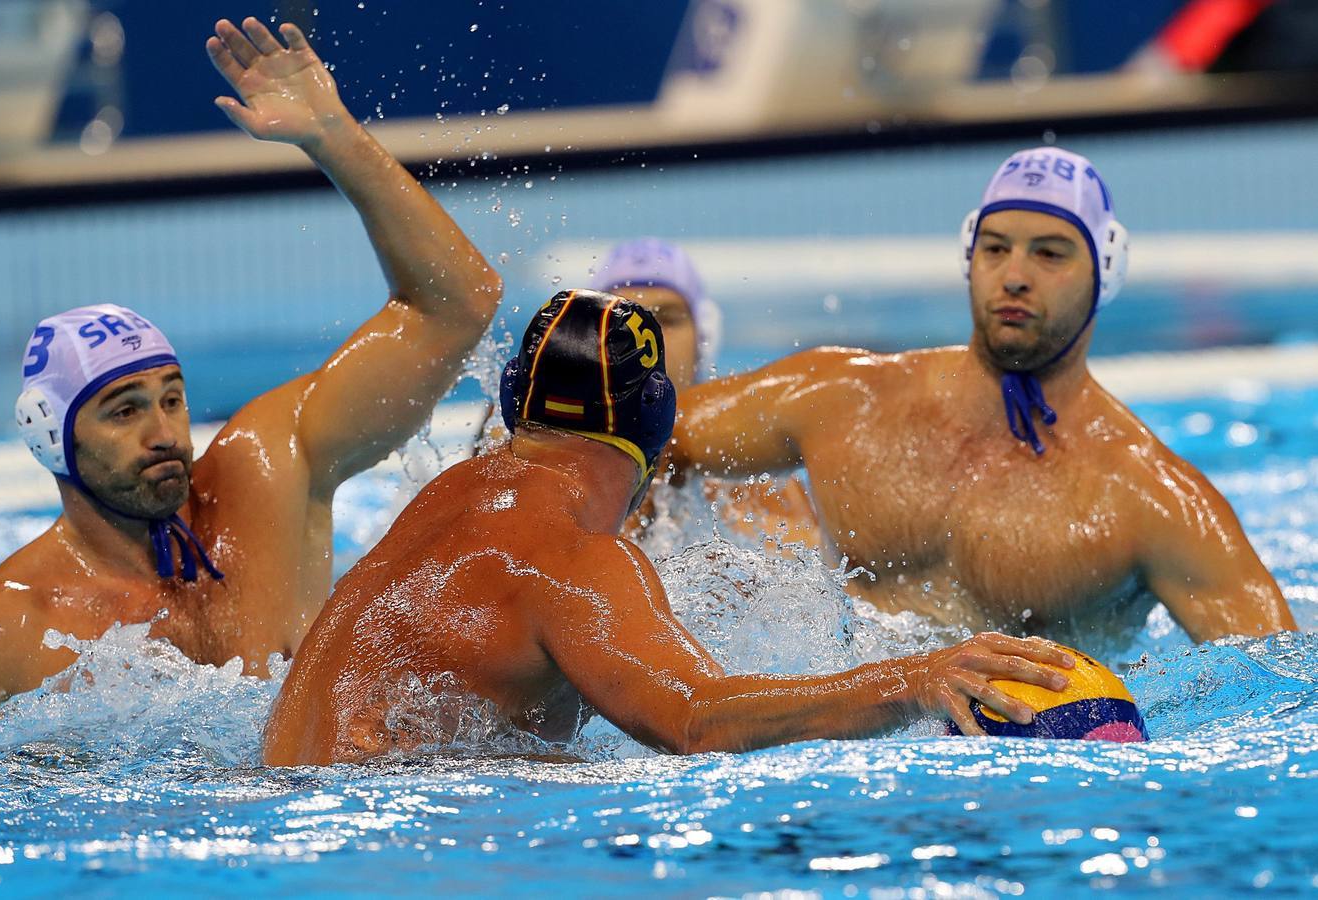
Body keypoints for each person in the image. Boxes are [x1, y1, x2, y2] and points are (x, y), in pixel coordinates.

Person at [0, 18, 503, 722]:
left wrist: (332, 136)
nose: (164, 432)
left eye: (172, 399)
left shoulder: (266, 474)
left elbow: (456, 305)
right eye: (123, 409)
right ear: (49, 438)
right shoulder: (10, 629)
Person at [262, 289, 1074, 765]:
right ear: (657, 420)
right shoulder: (575, 556)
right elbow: (696, 718)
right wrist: (913, 677)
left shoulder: (449, 494)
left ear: (514, 402)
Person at [670, 147, 1296, 642]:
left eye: (1050, 254)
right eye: (995, 249)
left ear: (1106, 271)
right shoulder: (845, 398)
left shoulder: (1149, 499)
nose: (1015, 276)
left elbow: (1281, 689)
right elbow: (630, 438)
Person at [591, 238, 820, 552]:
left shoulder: (758, 480)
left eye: (667, 319)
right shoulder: (556, 462)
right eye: (625, 319)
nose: (647, 339)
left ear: (704, 339)